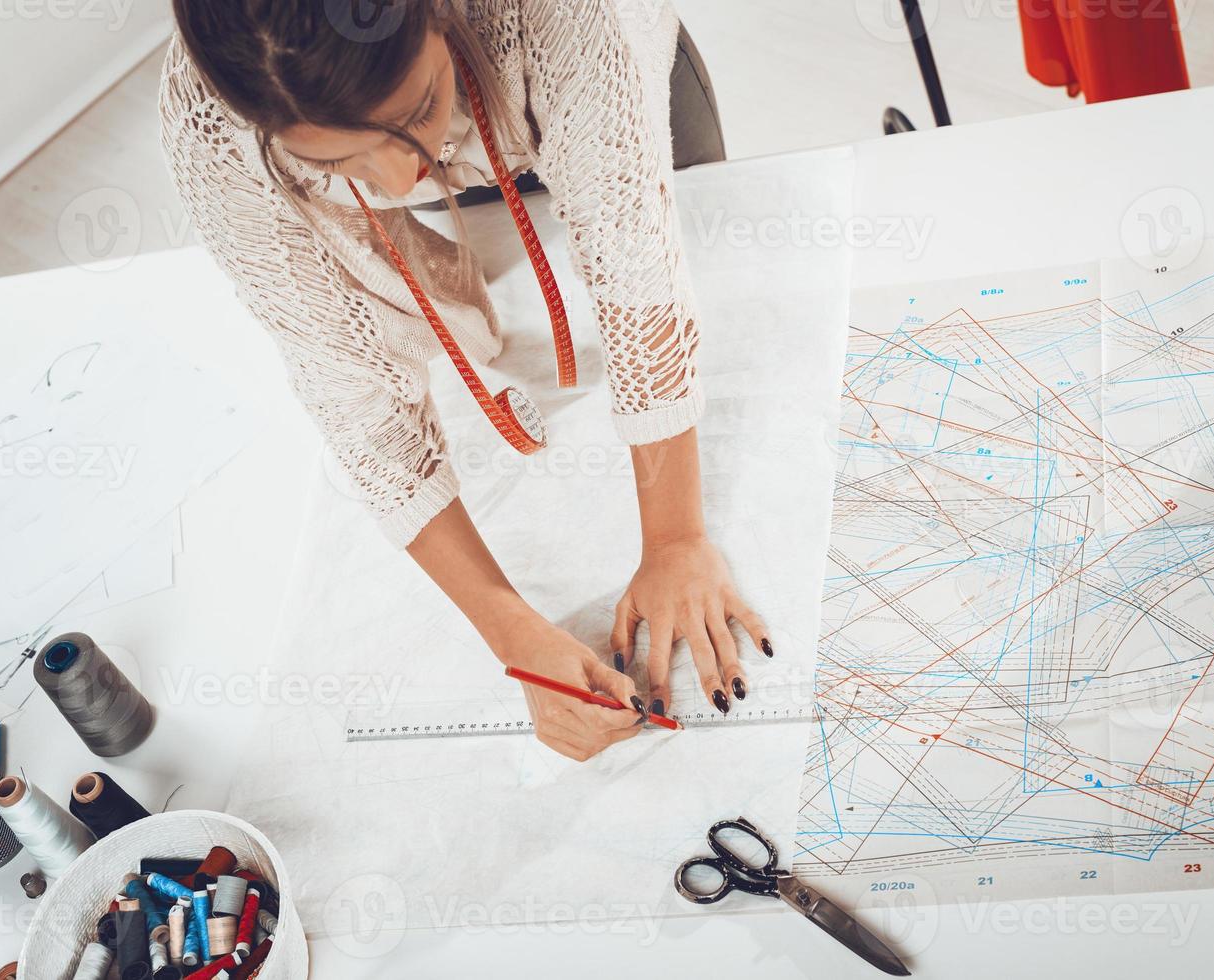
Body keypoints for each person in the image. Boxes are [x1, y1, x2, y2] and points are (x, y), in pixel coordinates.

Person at [160, 0, 771, 761]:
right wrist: (511, 632)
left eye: (413, 113)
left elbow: (635, 275)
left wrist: (677, 539)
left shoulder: (567, 16)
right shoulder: (212, 126)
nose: (401, 173)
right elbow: (358, 405)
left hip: (596, 85)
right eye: (334, 163)